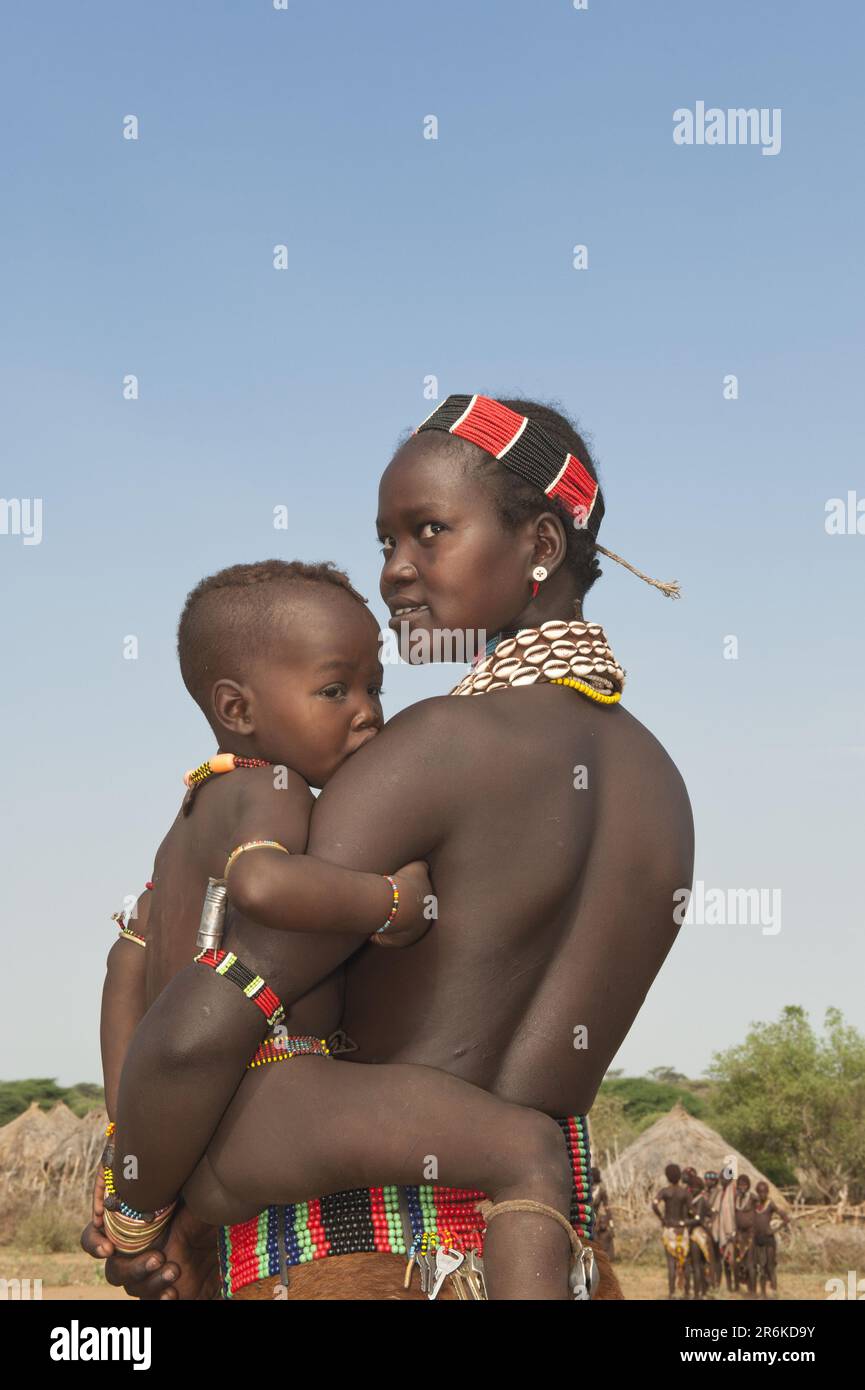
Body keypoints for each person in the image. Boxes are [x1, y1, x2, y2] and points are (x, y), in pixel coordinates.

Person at [84, 393, 693, 1300]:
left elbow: (208, 1028)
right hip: (549, 1264)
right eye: (385, 543)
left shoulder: (431, 748)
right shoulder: (659, 786)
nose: (396, 574)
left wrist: (138, 1207)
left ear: (540, 546)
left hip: (355, 1261)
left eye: (428, 532)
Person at [100, 557, 597, 1301]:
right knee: (523, 1147)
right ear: (236, 709)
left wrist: (134, 1137)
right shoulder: (272, 787)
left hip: (202, 1134)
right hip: (273, 1091)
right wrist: (389, 904)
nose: (367, 711)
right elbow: (262, 883)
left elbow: (125, 965)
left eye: (375, 687)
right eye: (335, 690)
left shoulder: (181, 830)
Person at [652, 1163, 692, 1298]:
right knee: (685, 1261)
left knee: (671, 1263)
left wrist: (661, 1218)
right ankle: (686, 1292)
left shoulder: (665, 1191)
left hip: (669, 1229)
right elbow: (691, 1210)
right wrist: (687, 1221)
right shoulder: (685, 1193)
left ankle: (672, 1293)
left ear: (667, 1176)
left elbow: (654, 1204)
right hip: (682, 1230)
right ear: (679, 1176)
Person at [752, 1180, 789, 1298]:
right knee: (760, 1267)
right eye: (760, 1192)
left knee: (770, 1266)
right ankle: (762, 1293)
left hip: (768, 1239)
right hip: (757, 1239)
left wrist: (775, 1229)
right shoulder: (754, 1204)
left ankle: (774, 1292)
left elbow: (786, 1218)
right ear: (757, 1192)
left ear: (767, 1192)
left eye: (764, 1192)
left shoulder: (770, 1204)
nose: (762, 1194)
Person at [591, 1167, 615, 1261]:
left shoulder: (601, 1191)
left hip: (594, 1222)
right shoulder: (584, 1189)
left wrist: (611, 1225)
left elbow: (607, 1208)